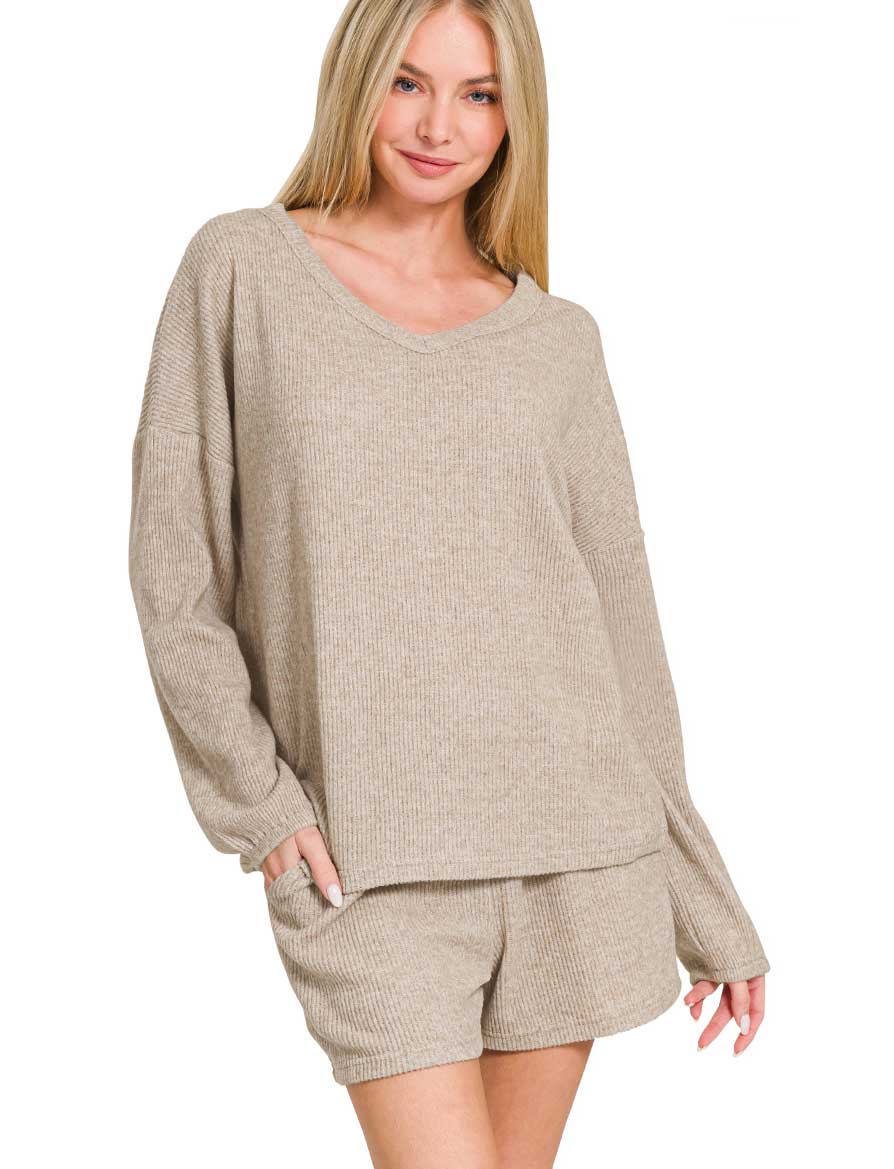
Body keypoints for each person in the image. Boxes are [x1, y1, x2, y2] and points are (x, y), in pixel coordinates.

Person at [127, 1, 770, 1164]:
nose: (439, 126)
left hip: (573, 852)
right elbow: (176, 569)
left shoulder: (558, 340)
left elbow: (624, 631)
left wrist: (705, 901)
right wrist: (262, 804)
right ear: (357, 80)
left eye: (479, 95)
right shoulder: (244, 268)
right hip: (369, 860)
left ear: (516, 115)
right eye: (408, 83)